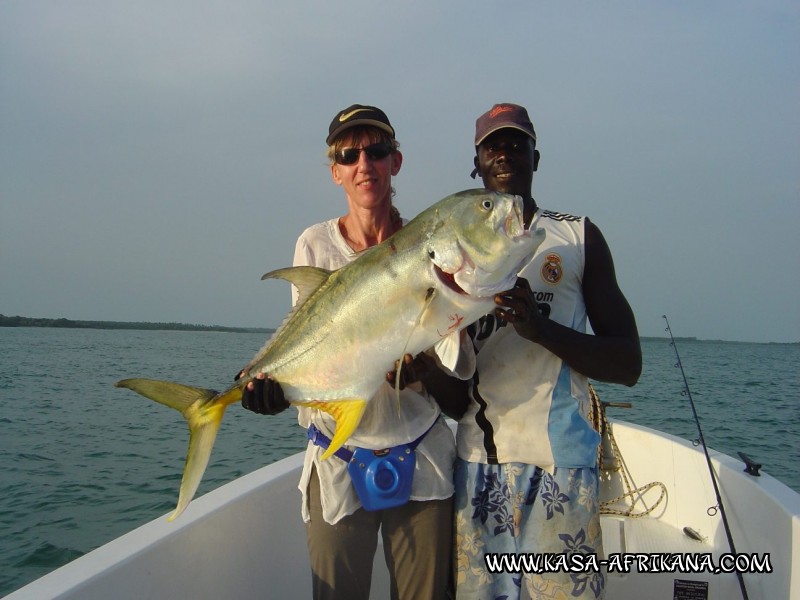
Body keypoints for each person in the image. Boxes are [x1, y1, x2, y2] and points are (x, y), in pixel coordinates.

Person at [241, 104, 467, 600]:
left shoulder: (433, 249)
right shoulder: (315, 245)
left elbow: (458, 400)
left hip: (423, 454)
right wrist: (277, 392)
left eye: (377, 150)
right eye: (349, 154)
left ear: (395, 162)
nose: (364, 163)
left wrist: (421, 370)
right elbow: (315, 352)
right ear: (336, 171)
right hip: (337, 456)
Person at [452, 103, 642, 600]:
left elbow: (627, 363)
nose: (505, 153)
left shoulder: (577, 237)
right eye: (493, 144)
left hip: (562, 465)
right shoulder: (452, 247)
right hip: (479, 462)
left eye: (517, 142)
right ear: (477, 162)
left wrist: (542, 331)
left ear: (537, 155)